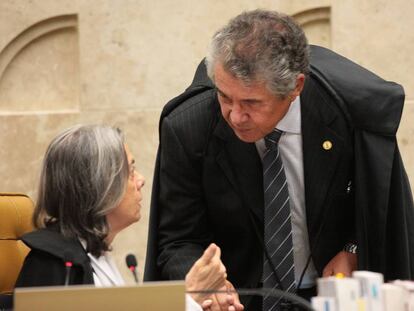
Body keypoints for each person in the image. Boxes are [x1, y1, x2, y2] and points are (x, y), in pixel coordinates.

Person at [145, 9, 414, 310]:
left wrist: (353, 249)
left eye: (251, 102)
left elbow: (377, 207)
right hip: (239, 301)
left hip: (331, 297)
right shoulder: (189, 127)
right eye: (224, 97)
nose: (235, 115)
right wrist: (206, 282)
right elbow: (178, 241)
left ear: (295, 87)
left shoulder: (345, 117)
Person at [14, 124, 242, 311]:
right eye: (130, 171)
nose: (141, 180)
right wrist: (188, 299)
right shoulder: (53, 265)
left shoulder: (96, 256)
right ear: (100, 185)